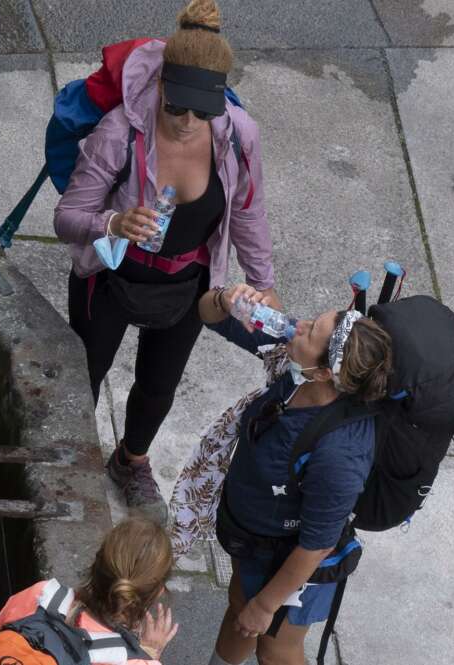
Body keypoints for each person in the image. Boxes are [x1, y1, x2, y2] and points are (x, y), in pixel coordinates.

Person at [53, 0, 278, 522]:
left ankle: (129, 462)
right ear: (159, 86)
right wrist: (111, 223)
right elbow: (69, 215)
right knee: (85, 372)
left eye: (203, 110)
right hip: (110, 276)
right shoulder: (119, 132)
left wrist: (263, 283)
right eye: (177, 106)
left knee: (158, 386)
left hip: (185, 283)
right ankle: (69, 461)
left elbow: (248, 212)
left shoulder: (239, 136)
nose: (187, 121)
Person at [196, 284, 393, 665]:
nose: (297, 324)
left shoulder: (340, 454)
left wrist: (268, 604)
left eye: (310, 330)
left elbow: (318, 544)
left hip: (291, 565)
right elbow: (208, 316)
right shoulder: (296, 362)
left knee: (276, 648)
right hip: (253, 540)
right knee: (240, 608)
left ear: (323, 372)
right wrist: (226, 299)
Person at [0, 518, 178, 665]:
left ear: (96, 562)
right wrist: (150, 652)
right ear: (158, 591)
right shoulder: (131, 661)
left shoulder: (42, 594)